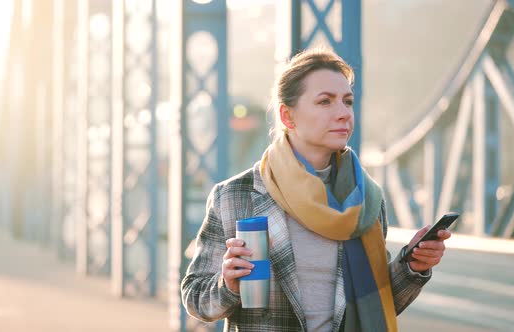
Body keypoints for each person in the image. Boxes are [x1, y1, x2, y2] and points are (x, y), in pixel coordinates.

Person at [181, 48, 451, 332]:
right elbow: (195, 297)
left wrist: (413, 265)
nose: (343, 114)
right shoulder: (236, 195)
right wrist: (228, 284)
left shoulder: (365, 198)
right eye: (325, 102)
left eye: (348, 102)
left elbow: (379, 305)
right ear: (287, 116)